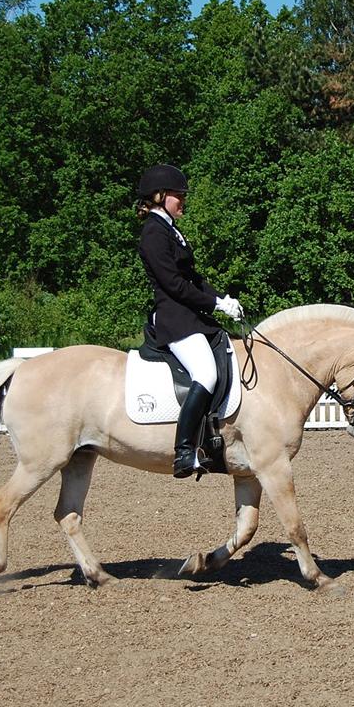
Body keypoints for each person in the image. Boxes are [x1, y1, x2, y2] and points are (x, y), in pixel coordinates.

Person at [136, 164, 244, 478]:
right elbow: (174, 284)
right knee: (207, 374)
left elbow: (192, 277)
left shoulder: (171, 228)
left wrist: (221, 298)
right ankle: (183, 451)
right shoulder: (154, 232)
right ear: (159, 196)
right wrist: (213, 304)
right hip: (174, 317)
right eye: (177, 195)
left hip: (189, 314)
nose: (183, 200)